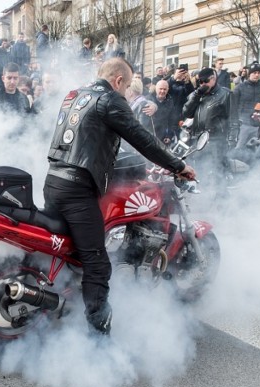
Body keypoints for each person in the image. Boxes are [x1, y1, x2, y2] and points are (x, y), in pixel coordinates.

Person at [44, 58, 195, 336]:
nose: (125, 93)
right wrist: (178, 165)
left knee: (73, 250)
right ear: (117, 81)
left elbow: (87, 136)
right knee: (97, 263)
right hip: (77, 190)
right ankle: (98, 335)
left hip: (54, 181)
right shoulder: (111, 99)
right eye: (125, 87)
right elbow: (141, 138)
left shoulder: (74, 95)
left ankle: (67, 301)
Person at [182, 67, 236, 199]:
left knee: (219, 172)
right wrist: (196, 95)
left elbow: (234, 119)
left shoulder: (225, 94)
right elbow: (187, 113)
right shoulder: (197, 94)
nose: (202, 84)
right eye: (200, 81)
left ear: (213, 78)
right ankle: (204, 198)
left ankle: (222, 200)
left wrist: (232, 140)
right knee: (200, 171)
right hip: (198, 139)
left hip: (216, 139)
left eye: (205, 81)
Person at [230, 62, 260, 148]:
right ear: (249, 74)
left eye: (259, 73)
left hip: (256, 125)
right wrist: (235, 122)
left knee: (254, 151)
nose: (257, 75)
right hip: (243, 124)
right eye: (254, 73)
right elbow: (233, 106)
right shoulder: (240, 87)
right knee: (238, 148)